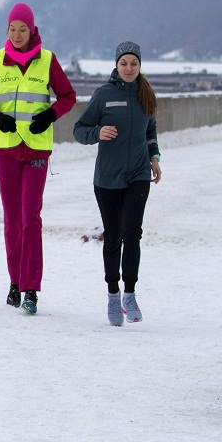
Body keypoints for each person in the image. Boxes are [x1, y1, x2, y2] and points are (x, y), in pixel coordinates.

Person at [0, 3, 76, 314]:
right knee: (12, 220)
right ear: (7, 30)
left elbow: (68, 97)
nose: (17, 35)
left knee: (31, 219)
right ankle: (14, 282)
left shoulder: (47, 60)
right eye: (12, 29)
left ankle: (31, 288)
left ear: (32, 31)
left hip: (36, 150)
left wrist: (51, 115)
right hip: (6, 150)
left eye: (23, 30)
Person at [73, 41, 161, 326]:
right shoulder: (104, 95)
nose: (128, 68)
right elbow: (79, 130)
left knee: (132, 233)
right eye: (124, 63)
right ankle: (113, 295)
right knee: (113, 237)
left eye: (133, 63)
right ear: (116, 65)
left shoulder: (145, 94)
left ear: (139, 66)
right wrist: (99, 132)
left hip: (138, 175)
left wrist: (154, 157)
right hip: (108, 178)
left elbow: (150, 130)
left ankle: (131, 294)